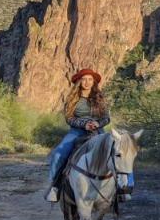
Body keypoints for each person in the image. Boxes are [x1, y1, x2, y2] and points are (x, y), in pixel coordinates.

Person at [45, 68, 111, 202]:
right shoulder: (72, 98)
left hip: (98, 131)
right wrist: (84, 124)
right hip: (77, 131)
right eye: (84, 79)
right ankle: (54, 187)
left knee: (118, 151)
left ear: (94, 82)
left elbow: (107, 118)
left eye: (90, 79)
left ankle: (124, 188)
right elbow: (69, 118)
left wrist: (98, 124)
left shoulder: (100, 98)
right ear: (79, 81)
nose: (87, 82)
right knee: (58, 154)